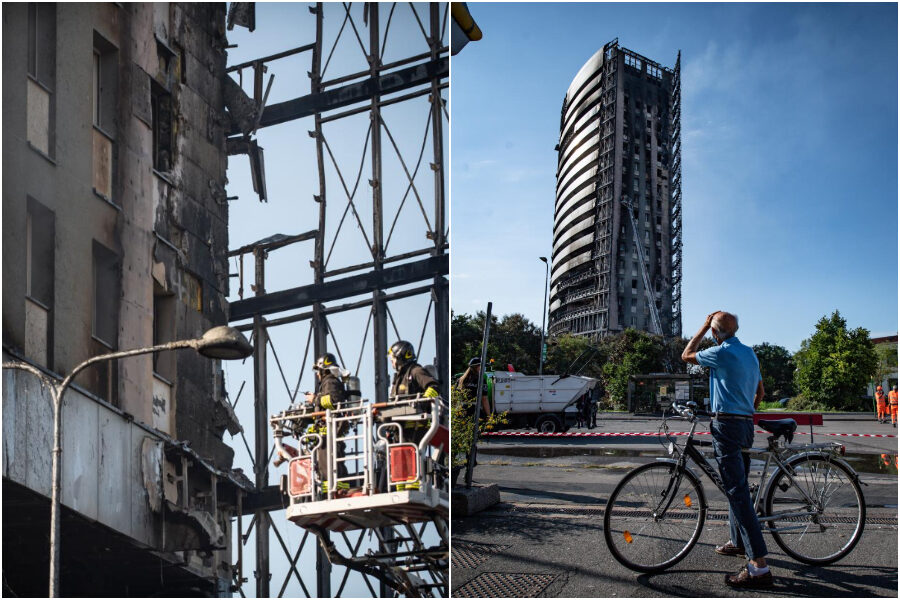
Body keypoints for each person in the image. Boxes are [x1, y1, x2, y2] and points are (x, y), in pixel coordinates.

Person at [682, 311, 772, 589]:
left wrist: (702, 326)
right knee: (737, 486)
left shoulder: (720, 352)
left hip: (727, 425)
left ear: (715, 332)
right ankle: (737, 541)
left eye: (711, 329)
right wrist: (746, 411)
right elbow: (760, 393)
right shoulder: (750, 353)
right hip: (745, 424)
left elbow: (686, 355)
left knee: (737, 492)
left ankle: (759, 566)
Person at [304, 352, 349, 493]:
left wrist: (315, 399)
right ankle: (335, 488)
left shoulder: (330, 382)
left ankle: (332, 490)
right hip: (329, 428)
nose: (317, 374)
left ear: (324, 370)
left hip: (330, 428)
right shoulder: (329, 382)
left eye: (318, 371)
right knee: (329, 462)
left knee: (327, 463)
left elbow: (333, 400)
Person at [389, 340, 441, 444]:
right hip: (400, 429)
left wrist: (422, 403)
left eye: (393, 358)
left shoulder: (416, 371)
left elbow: (433, 387)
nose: (391, 361)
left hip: (415, 428)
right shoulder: (398, 378)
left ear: (399, 358)